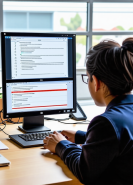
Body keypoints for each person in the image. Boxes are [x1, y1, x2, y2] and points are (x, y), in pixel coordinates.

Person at [43, 38, 133, 185]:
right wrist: (81, 137)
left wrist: (61, 145)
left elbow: (84, 171)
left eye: (87, 78)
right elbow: (121, 142)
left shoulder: (106, 123)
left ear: (96, 82)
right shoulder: (120, 120)